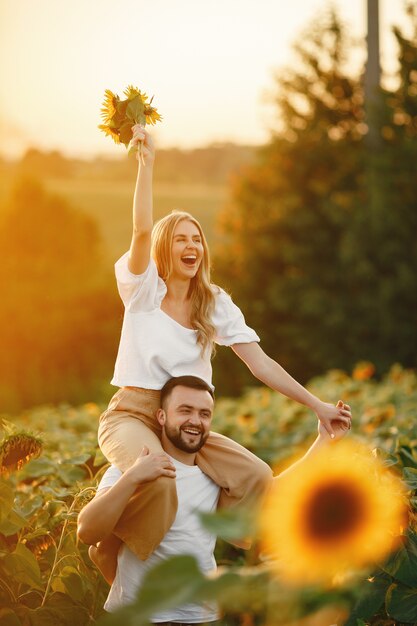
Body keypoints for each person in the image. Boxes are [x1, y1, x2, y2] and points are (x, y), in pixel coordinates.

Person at [97, 124, 352, 566]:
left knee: (255, 474)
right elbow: (140, 231)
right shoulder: (143, 291)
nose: (191, 245)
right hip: (133, 414)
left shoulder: (213, 303)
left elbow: (262, 364)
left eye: (197, 239)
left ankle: (239, 547)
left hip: (186, 419)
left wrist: (318, 406)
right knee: (160, 475)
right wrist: (147, 163)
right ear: (165, 248)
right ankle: (111, 548)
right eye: (181, 238)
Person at [78, 376, 351, 619]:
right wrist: (133, 477)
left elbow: (276, 493)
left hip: (200, 614)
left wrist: (324, 441)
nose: (195, 421)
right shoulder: (132, 469)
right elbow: (88, 531)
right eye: (185, 411)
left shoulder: (215, 476)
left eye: (204, 413)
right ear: (161, 416)